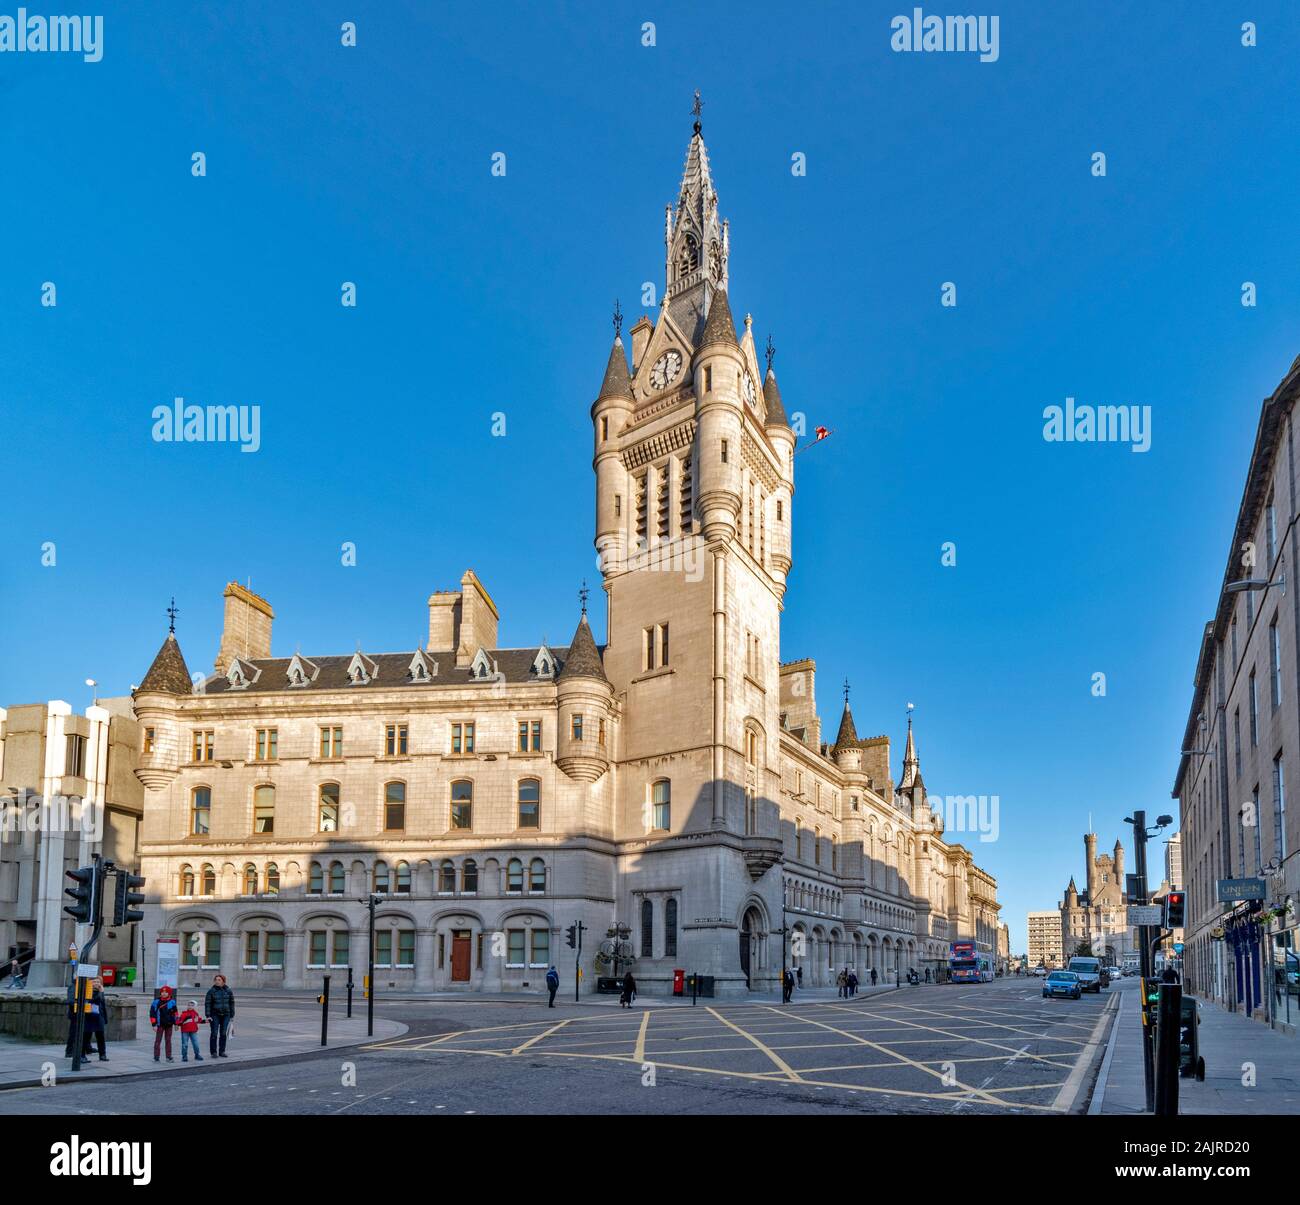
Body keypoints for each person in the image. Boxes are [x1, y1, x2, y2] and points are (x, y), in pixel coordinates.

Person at [205, 974, 235, 1057]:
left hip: (226, 1015)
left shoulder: (228, 990)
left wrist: (232, 1015)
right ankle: (213, 1052)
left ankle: (222, 1051)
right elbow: (207, 1004)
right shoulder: (211, 991)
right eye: (216, 980)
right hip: (214, 1015)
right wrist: (208, 1015)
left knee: (223, 1033)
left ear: (223, 981)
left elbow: (232, 1003)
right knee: (214, 1033)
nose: (217, 981)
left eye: (219, 980)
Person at [83, 977, 108, 1061]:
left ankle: (102, 1054)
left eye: (98, 982)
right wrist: (101, 993)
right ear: (90, 983)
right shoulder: (88, 992)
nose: (97, 983)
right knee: (86, 1036)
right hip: (89, 1016)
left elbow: (102, 1004)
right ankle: (82, 1055)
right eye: (94, 982)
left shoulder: (100, 992)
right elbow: (95, 1000)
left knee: (101, 1036)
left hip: (98, 1017)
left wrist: (104, 1018)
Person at [151, 985, 178, 1062]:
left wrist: (176, 1023)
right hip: (160, 1025)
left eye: (166, 992)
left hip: (169, 1025)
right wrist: (154, 1025)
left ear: (169, 993)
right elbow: (152, 1014)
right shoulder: (156, 1002)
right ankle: (156, 1056)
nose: (164, 993)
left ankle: (168, 1056)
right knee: (158, 1041)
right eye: (162, 992)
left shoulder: (172, 1002)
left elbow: (175, 1013)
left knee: (168, 1040)